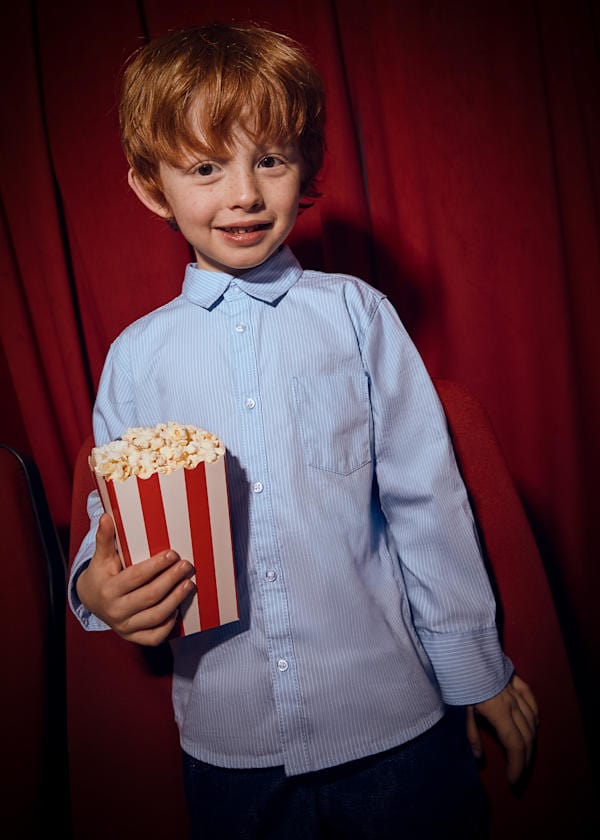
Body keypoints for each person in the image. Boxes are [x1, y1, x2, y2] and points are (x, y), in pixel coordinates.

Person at [70, 22, 539, 839]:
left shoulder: (358, 317)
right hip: (229, 755)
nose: (245, 194)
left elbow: (427, 503)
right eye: (207, 167)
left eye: (272, 160)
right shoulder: (135, 359)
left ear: (305, 169)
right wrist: (92, 590)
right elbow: (109, 525)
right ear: (153, 188)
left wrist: (474, 675)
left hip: (396, 734)